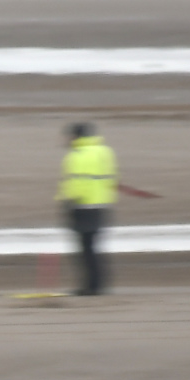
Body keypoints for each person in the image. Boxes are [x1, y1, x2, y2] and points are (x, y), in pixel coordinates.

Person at [55, 122, 118, 296]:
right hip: (102, 204)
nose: (66, 140)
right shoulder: (104, 151)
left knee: (85, 250)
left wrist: (67, 201)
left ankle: (90, 287)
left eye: (68, 136)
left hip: (82, 206)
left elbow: (78, 182)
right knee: (93, 248)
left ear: (76, 136)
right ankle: (97, 285)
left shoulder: (78, 155)